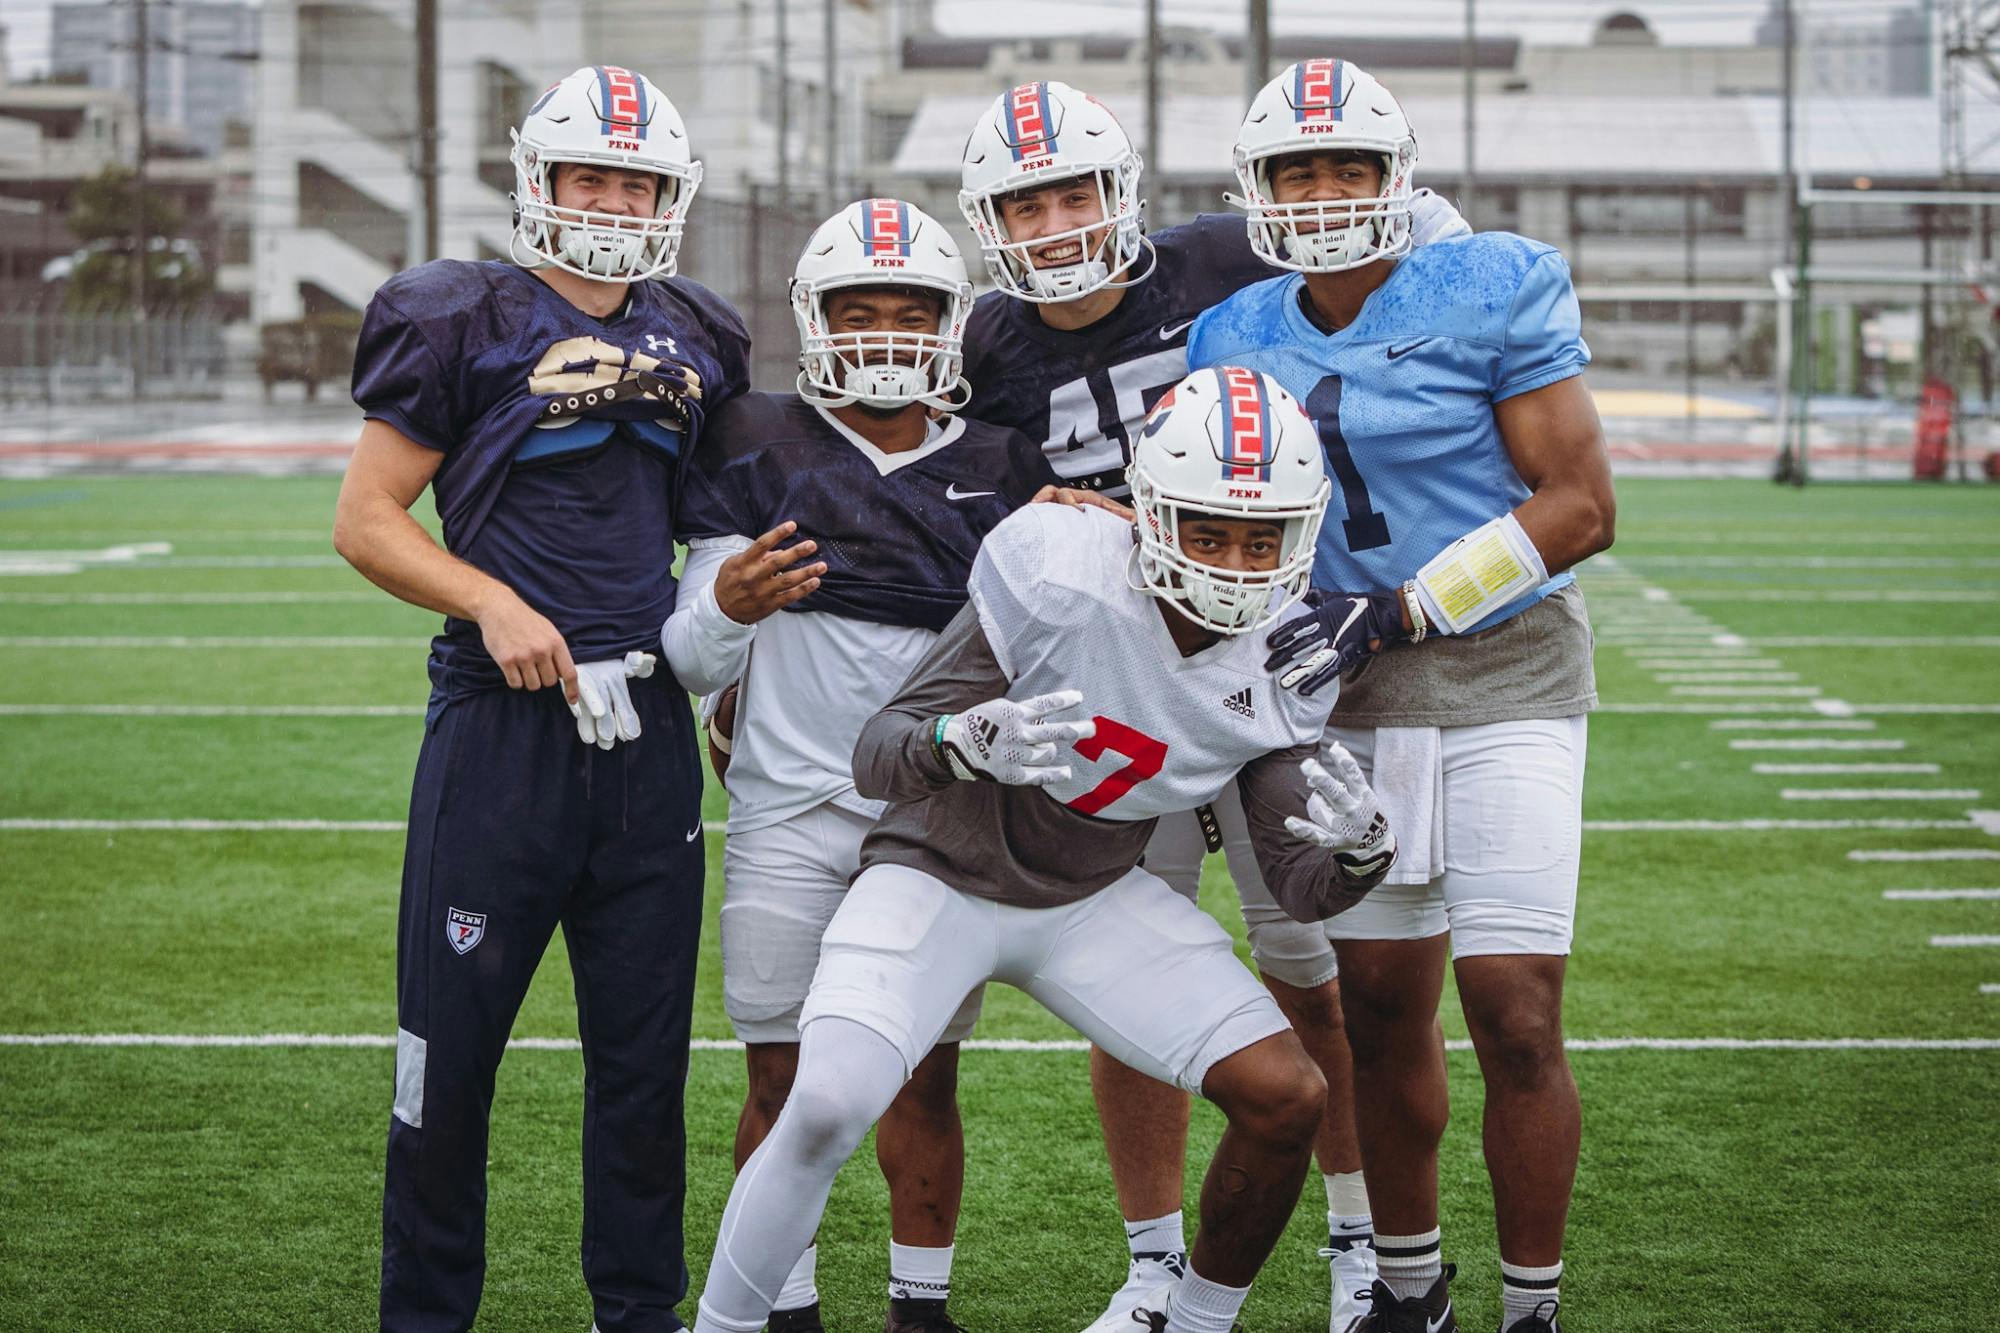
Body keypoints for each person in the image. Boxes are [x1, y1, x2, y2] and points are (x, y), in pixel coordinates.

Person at [690, 365, 1399, 1333]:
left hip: (1090, 897)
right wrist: (957, 742)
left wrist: (1359, 855)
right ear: (1151, 512)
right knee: (823, 1103)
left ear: (1301, 532)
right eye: (1207, 533)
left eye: (1260, 537)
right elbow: (876, 752)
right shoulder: (1058, 564)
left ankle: (1196, 1321)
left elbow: (1299, 885)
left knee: (1285, 1094)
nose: (1235, 564)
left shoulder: (1293, 649)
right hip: (935, 875)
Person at [954, 78, 1468, 1332]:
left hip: (1264, 657)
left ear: (1122, 191)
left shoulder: (1221, 255)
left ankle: (1355, 1238)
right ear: (986, 220)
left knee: (1306, 966)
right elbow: (979, 505)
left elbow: (1428, 233)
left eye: (1075, 193)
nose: (1057, 226)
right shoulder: (986, 342)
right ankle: (1151, 1264)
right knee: (1133, 972)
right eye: (1025, 205)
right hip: (1113, 683)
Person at [1188, 58, 1616, 1333]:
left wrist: (1403, 605)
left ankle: (1530, 1306)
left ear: (1395, 176)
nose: (1322, 193)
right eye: (1294, 171)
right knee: (1376, 1010)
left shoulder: (1491, 280)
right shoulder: (1229, 332)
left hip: (1502, 668)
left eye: (1348, 167)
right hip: (1343, 696)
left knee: (1513, 1009)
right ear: (1256, 189)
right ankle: (1407, 1286)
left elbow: (1580, 506)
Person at [332, 65, 750, 1333]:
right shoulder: (460, 313)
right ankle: (424, 1316)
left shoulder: (700, 332)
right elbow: (366, 520)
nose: (614, 201)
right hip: (500, 732)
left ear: (669, 196)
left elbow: (717, 528)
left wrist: (726, 664)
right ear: (540, 180)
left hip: (645, 735)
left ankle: (638, 1312)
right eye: (591, 175)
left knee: (645, 1071)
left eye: (637, 181)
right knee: (446, 1062)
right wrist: (490, 602)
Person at [663, 198, 1061, 1333]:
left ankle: (918, 1309)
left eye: (910, 310)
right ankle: (782, 1308)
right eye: (857, 308)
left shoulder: (1000, 462)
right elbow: (690, 660)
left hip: (934, 822)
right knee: (780, 1077)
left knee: (924, 1075)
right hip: (789, 814)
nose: (884, 331)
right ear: (814, 317)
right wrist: (730, 607)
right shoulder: (753, 438)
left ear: (949, 322)